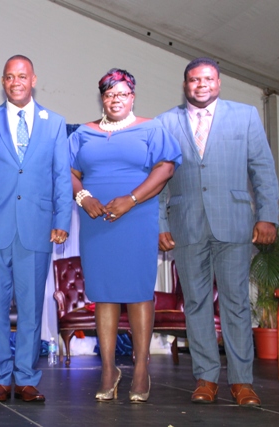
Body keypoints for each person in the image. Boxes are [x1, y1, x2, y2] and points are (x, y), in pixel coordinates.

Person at [157, 57, 279, 407]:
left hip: (235, 223)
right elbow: (159, 179)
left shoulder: (246, 116)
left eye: (207, 79)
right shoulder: (166, 122)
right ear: (185, 85)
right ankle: (206, 378)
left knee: (237, 303)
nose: (201, 85)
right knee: (195, 304)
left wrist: (267, 215)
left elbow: (263, 170)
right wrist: (161, 223)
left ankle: (242, 382)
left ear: (219, 83)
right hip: (186, 225)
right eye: (194, 80)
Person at [0, 55, 71, 403]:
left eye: (22, 76)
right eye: (10, 77)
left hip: (37, 228)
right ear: (3, 82)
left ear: (33, 79)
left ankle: (26, 377)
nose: (16, 82)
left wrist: (61, 220)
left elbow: (60, 176)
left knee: (30, 308)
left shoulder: (54, 123)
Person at [69, 68, 181, 403]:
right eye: (109, 94)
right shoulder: (83, 133)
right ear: (102, 98)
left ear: (132, 96)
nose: (115, 99)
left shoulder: (151, 127)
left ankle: (141, 369)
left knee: (137, 292)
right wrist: (83, 197)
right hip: (96, 220)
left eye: (121, 94)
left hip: (137, 217)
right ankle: (108, 370)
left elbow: (166, 167)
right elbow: (67, 171)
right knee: (103, 294)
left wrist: (131, 199)